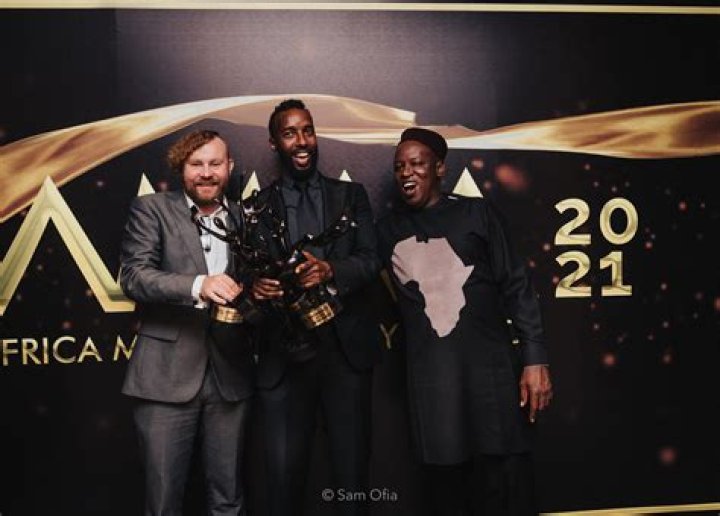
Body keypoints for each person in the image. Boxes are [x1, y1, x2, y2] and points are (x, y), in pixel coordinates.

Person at [376, 127, 553, 516]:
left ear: (439, 168)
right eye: (399, 166)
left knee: (503, 483)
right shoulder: (386, 231)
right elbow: (355, 268)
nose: (406, 173)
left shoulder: (477, 213)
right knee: (446, 490)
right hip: (432, 384)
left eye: (417, 164)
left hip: (491, 376)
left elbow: (517, 285)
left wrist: (534, 358)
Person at [251, 99, 382, 516]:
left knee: (351, 479)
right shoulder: (257, 206)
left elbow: (371, 259)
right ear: (274, 143)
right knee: (283, 484)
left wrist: (330, 270)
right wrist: (257, 286)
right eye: (290, 133)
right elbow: (246, 273)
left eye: (307, 130)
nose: (302, 141)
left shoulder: (351, 196)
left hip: (344, 354)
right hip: (284, 359)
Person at [119, 129, 254, 516]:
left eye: (215, 163)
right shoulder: (152, 209)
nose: (206, 173)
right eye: (196, 164)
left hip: (230, 377)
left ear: (229, 167)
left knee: (228, 499)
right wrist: (199, 284)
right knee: (163, 503)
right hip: (165, 377)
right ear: (182, 168)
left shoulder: (245, 218)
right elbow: (134, 277)